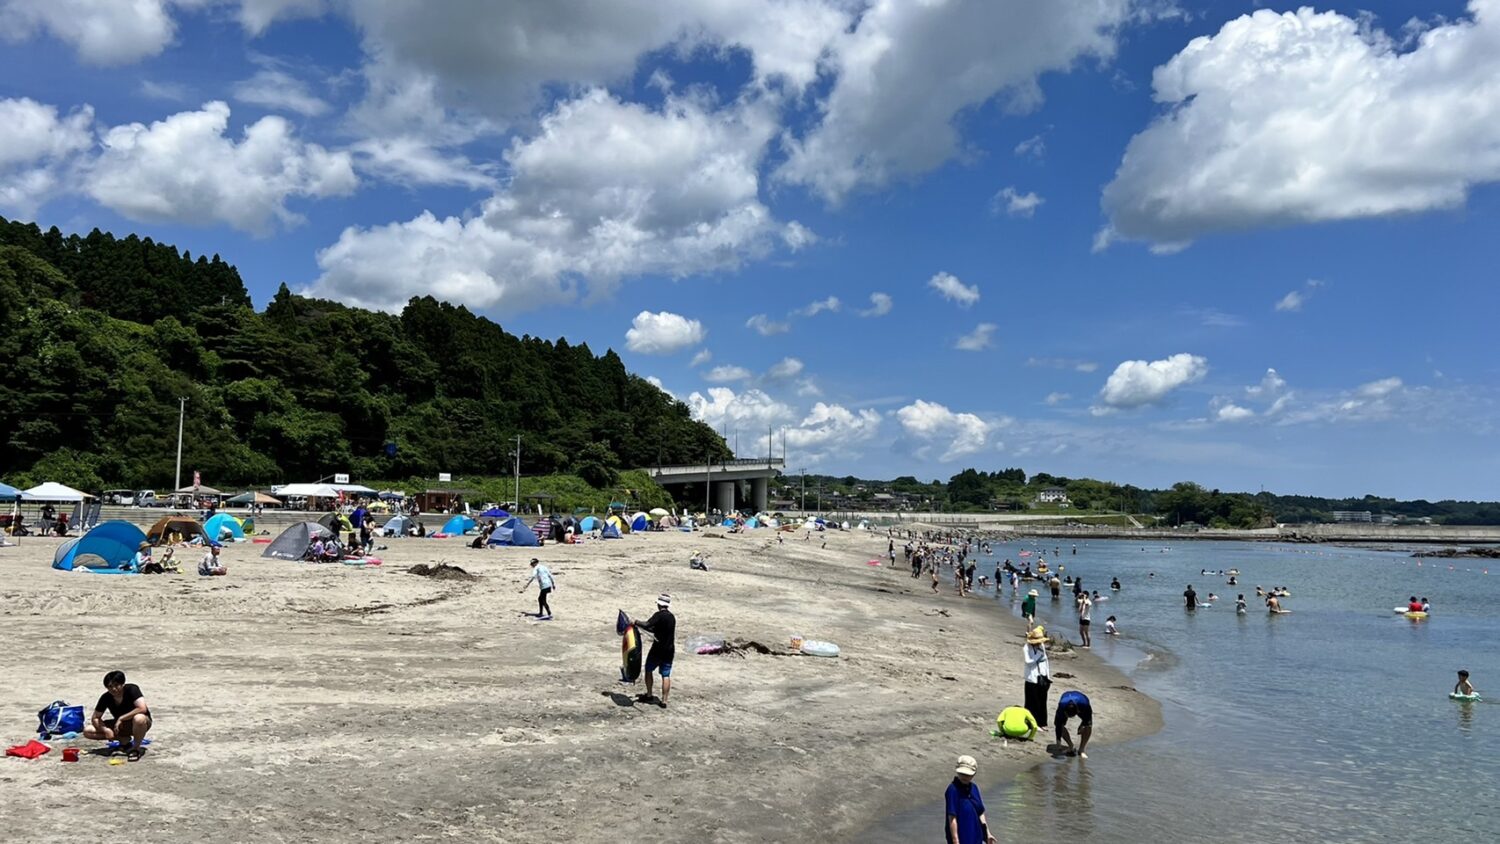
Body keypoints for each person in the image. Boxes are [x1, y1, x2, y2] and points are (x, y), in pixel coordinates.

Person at [83, 670, 151, 761]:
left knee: (139, 718)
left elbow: (142, 708)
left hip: (140, 723)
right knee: (88, 731)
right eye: (110, 686)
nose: (113, 689)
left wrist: (121, 718)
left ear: (122, 684)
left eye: (116, 685)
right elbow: (95, 717)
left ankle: (136, 748)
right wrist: (106, 730)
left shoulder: (132, 689)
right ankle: (124, 740)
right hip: (120, 726)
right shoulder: (106, 697)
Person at [635, 593, 676, 708]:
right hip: (669, 650)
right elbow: (655, 629)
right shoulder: (672, 617)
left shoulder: (658, 615)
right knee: (666, 675)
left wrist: (636, 622)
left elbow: (648, 624)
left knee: (648, 670)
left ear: (659, 604)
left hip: (657, 649)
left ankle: (649, 695)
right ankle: (664, 701)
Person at [945, 755, 996, 844]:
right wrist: (955, 840)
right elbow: (952, 817)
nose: (965, 777)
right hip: (961, 836)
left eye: (968, 775)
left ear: (974, 774)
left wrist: (988, 834)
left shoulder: (974, 788)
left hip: (976, 835)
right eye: (962, 774)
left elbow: (980, 813)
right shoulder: (953, 790)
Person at [1023, 626, 1051, 729]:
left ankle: (1042, 723)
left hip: (1042, 677)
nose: (1039, 643)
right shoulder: (1026, 647)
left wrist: (1048, 676)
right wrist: (1038, 655)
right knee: (1031, 702)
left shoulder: (1041, 646)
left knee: (1042, 701)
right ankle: (1031, 723)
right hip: (1031, 678)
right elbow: (1028, 662)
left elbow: (1045, 662)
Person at [1055, 690, 1092, 759]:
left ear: (1077, 712)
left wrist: (1082, 725)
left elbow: (1087, 720)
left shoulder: (1084, 705)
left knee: (1088, 726)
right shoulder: (1062, 706)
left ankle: (1081, 750)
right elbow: (1058, 725)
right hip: (1066, 697)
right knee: (1059, 724)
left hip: (1082, 700)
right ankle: (1070, 746)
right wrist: (1058, 740)